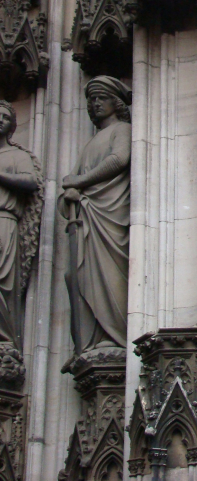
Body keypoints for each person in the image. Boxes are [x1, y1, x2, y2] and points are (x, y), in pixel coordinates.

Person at [60, 77, 132, 352]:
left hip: (111, 214)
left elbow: (119, 159)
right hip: (88, 215)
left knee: (110, 273)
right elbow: (71, 182)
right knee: (76, 276)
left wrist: (79, 182)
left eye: (102, 97)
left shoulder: (122, 129)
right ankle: (89, 341)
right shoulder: (91, 143)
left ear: (116, 102)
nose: (96, 103)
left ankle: (116, 336)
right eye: (92, 99)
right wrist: (70, 194)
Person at [0, 101, 43, 347]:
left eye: (5, 117)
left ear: (12, 126)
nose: (0, 120)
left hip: (4, 221)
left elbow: (31, 182)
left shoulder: (18, 156)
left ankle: (4, 339)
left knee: (3, 281)